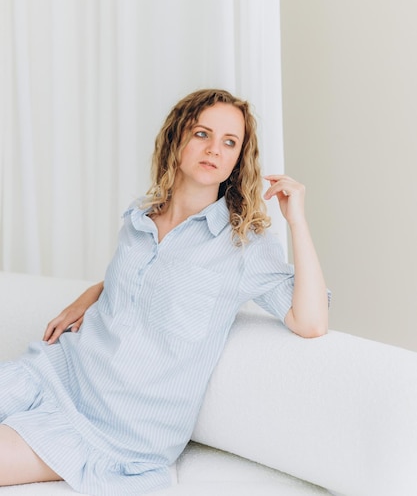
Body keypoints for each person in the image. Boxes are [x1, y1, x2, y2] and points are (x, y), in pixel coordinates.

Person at [0, 88, 329, 495]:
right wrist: (95, 292)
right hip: (55, 372)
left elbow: (311, 322)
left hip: (117, 428)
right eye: (201, 134)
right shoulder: (141, 215)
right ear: (177, 139)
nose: (214, 149)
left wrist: (297, 222)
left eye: (230, 142)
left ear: (238, 159)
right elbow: (157, 278)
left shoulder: (243, 245)